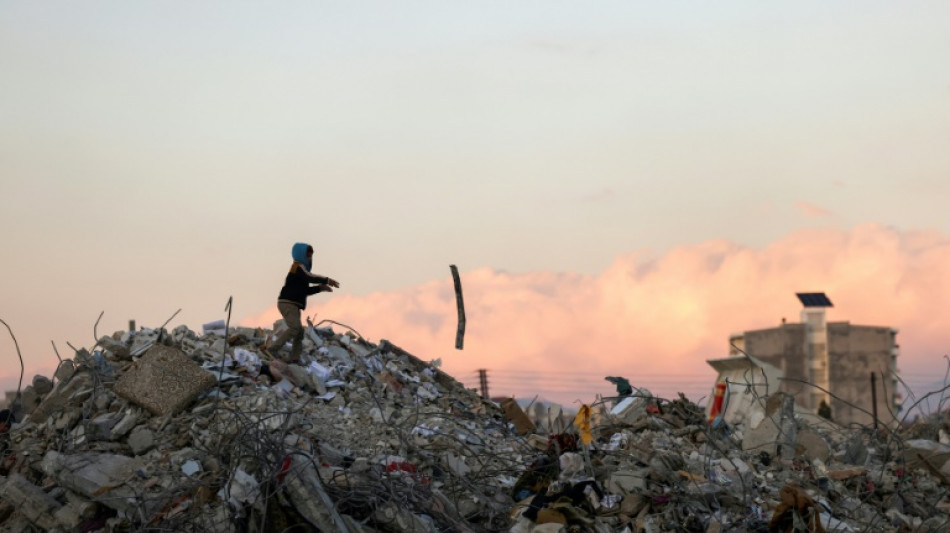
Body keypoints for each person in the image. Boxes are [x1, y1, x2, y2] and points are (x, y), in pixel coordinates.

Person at [267, 242, 339, 361]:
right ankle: (272, 349)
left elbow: (304, 291)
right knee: (295, 328)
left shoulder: (301, 272)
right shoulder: (297, 267)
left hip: (293, 305)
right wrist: (326, 280)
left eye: (310, 255)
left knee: (299, 332)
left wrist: (320, 288)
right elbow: (310, 277)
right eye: (308, 255)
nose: (310, 258)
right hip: (288, 303)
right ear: (301, 255)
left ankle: (295, 358)